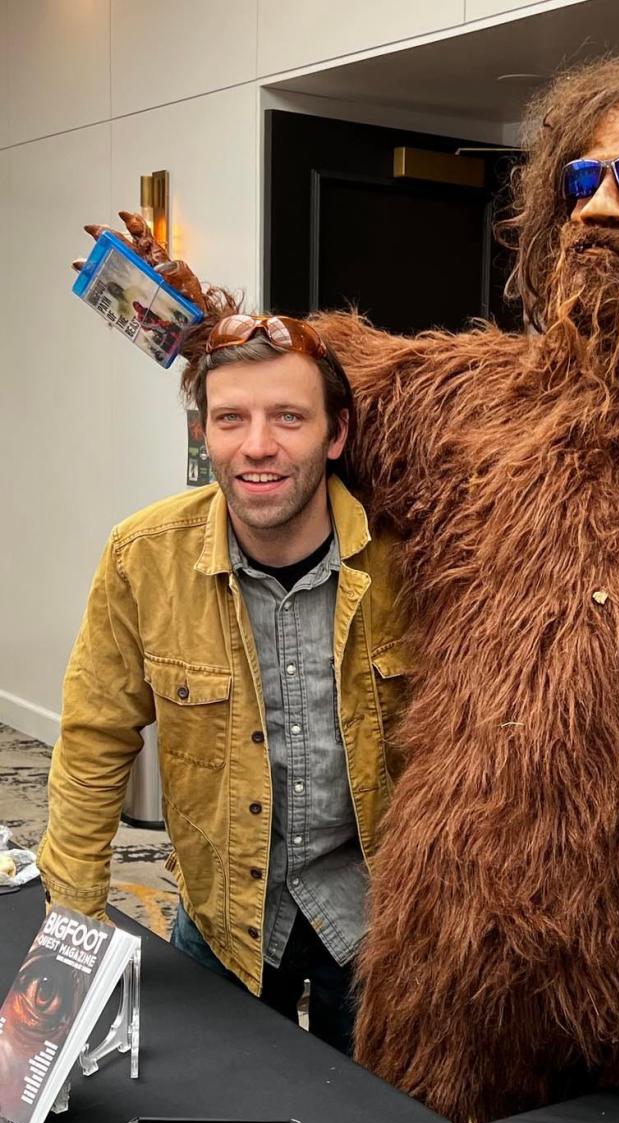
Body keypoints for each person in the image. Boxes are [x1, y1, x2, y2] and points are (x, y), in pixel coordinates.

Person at [78, 43, 619, 1123]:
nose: (599, 209)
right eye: (579, 182)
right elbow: (315, 378)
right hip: (467, 919)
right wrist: (185, 317)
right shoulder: (480, 396)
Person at [37, 314, 411, 1053]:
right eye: (231, 418)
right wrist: (71, 932)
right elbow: (93, 741)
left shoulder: (412, 562)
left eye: (288, 417)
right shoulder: (141, 558)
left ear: (334, 435)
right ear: (203, 433)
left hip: (379, 924)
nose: (258, 444)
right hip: (222, 916)